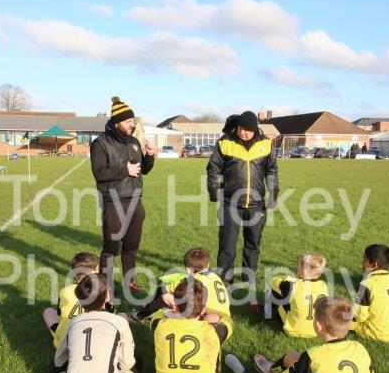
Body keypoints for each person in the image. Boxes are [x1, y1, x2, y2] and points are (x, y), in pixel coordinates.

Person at [90, 96, 157, 291]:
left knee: (131, 247)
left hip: (136, 201)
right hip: (113, 201)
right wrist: (124, 170)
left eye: (132, 121)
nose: (132, 125)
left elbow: (143, 170)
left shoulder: (134, 142)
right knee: (111, 248)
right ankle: (106, 286)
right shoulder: (100, 144)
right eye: (128, 121)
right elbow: (99, 173)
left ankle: (129, 282)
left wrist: (149, 156)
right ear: (117, 122)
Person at [207, 111, 279, 286]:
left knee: (253, 243)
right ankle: (225, 280)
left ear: (254, 130)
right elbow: (213, 167)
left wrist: (273, 192)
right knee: (227, 245)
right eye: (240, 128)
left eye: (246, 130)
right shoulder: (225, 142)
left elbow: (272, 170)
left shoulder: (266, 144)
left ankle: (249, 278)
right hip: (230, 203)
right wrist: (213, 188)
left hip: (256, 204)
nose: (242, 132)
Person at [53, 273, 138, 373]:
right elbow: (127, 364)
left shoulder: (73, 322)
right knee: (136, 365)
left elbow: (58, 361)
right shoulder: (120, 321)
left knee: (58, 369)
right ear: (107, 296)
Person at [123, 246, 233, 337]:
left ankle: (138, 316)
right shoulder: (215, 276)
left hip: (210, 327)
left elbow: (164, 289)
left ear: (188, 270)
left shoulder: (191, 280)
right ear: (208, 264)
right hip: (226, 323)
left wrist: (151, 302)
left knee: (166, 297)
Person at [151, 278, 229, 373]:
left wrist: (170, 306)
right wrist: (205, 314)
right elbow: (225, 318)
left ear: (175, 305)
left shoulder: (158, 324)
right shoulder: (215, 330)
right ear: (203, 308)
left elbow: (160, 313)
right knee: (216, 345)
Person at [42, 252, 100, 348]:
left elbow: (60, 316)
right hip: (97, 343)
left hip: (65, 344)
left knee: (48, 311)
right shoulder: (103, 290)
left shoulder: (65, 292)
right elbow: (110, 316)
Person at [264, 253, 329, 338]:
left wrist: (290, 278)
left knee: (272, 290)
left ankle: (267, 313)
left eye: (298, 266)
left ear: (304, 271)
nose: (296, 268)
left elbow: (272, 281)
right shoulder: (324, 286)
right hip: (316, 331)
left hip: (293, 330)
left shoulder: (292, 284)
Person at [350, 245, 389, 342]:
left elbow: (359, 316)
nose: (362, 262)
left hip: (376, 333)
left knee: (336, 316)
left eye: (364, 259)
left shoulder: (366, 284)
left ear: (374, 265)